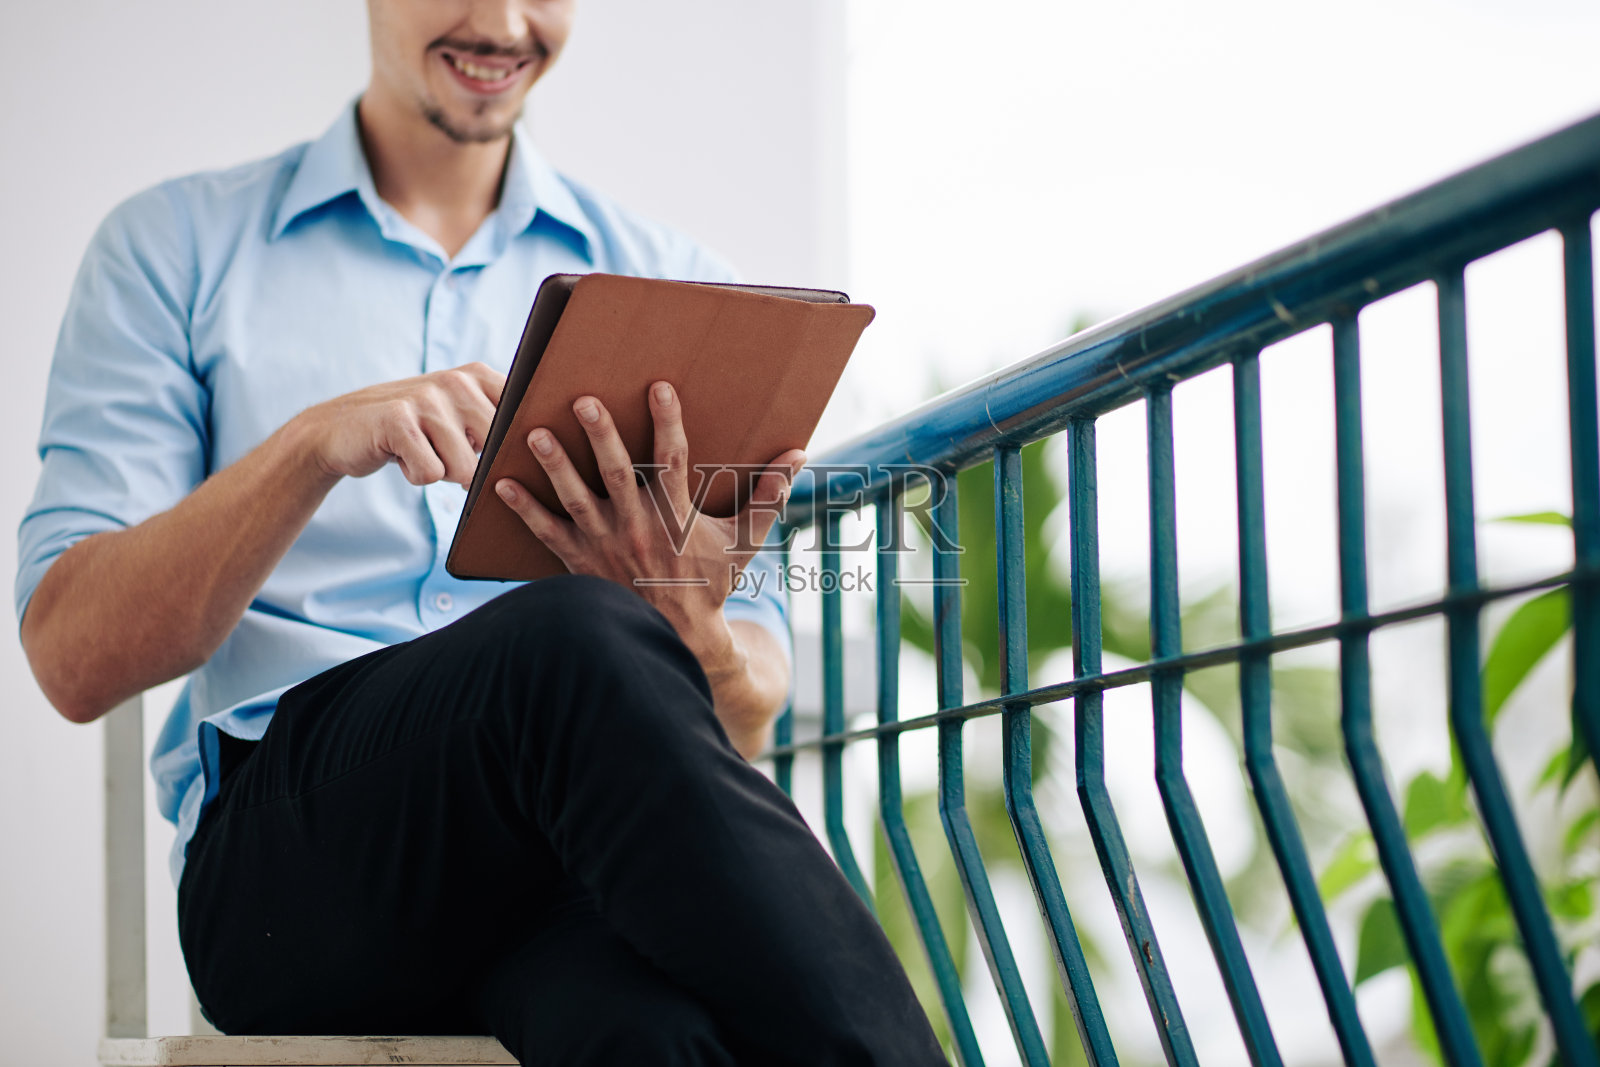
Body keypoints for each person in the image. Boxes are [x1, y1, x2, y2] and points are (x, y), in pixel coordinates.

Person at [15, 1, 945, 1063]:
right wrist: (313, 444)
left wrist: (689, 628)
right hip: (293, 873)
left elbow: (747, 714)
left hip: (558, 874)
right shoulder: (171, 250)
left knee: (662, 1035)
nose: (503, 22)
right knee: (567, 637)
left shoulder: (675, 284)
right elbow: (72, 656)